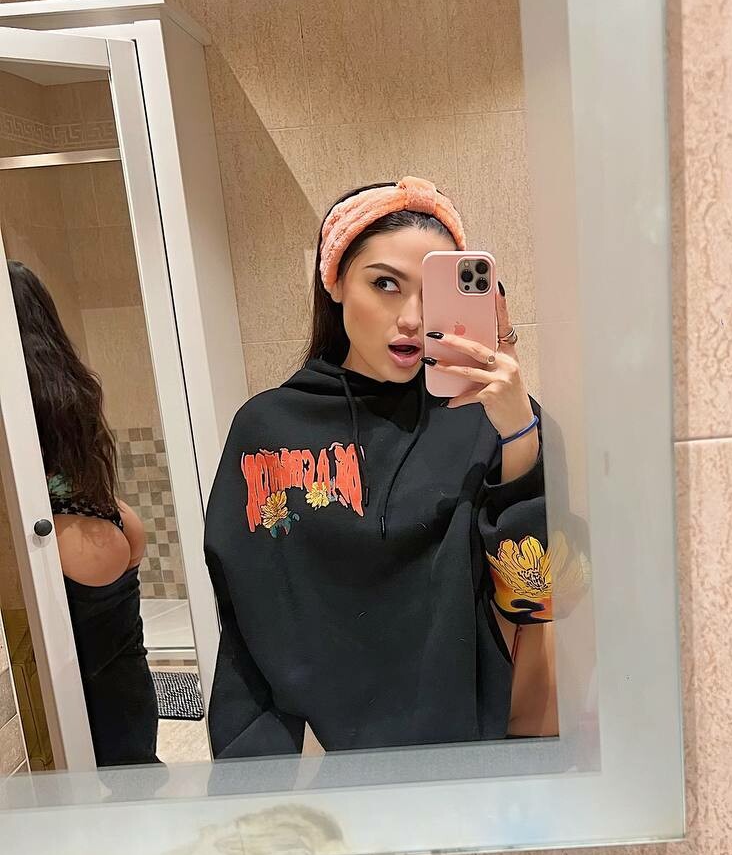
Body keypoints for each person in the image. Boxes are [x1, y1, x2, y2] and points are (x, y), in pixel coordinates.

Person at [203, 176, 556, 757]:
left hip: (470, 752)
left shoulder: (492, 421)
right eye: (386, 284)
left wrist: (519, 435)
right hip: (318, 764)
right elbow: (248, 619)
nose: (412, 318)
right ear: (336, 281)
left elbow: (535, 597)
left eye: (432, 292)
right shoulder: (269, 430)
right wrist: (258, 779)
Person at [8, 260, 161, 767]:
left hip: (58, 531)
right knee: (121, 661)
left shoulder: (11, 395)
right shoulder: (67, 381)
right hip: (104, 518)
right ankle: (142, 776)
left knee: (87, 699)